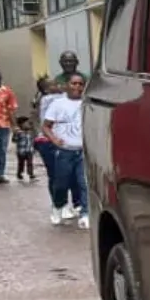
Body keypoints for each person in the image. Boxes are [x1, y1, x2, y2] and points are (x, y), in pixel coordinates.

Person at [41, 72, 88, 229]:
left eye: (80, 84)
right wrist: (54, 140)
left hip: (82, 151)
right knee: (61, 183)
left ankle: (85, 213)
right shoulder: (58, 104)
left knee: (84, 183)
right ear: (67, 85)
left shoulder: (87, 103)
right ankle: (58, 206)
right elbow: (46, 126)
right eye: (74, 83)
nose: (77, 87)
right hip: (64, 151)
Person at [34, 76, 60, 181]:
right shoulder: (48, 99)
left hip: (50, 139)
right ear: (46, 90)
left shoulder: (50, 97)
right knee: (54, 174)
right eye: (54, 85)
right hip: (49, 140)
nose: (58, 86)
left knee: (54, 174)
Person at [13, 115, 36, 182]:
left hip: (29, 150)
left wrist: (34, 148)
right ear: (21, 124)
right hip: (21, 151)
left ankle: (31, 174)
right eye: (26, 123)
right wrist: (16, 134)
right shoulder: (18, 132)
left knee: (30, 163)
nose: (28, 125)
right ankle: (19, 173)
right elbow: (14, 140)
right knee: (21, 163)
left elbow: (33, 139)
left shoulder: (30, 132)